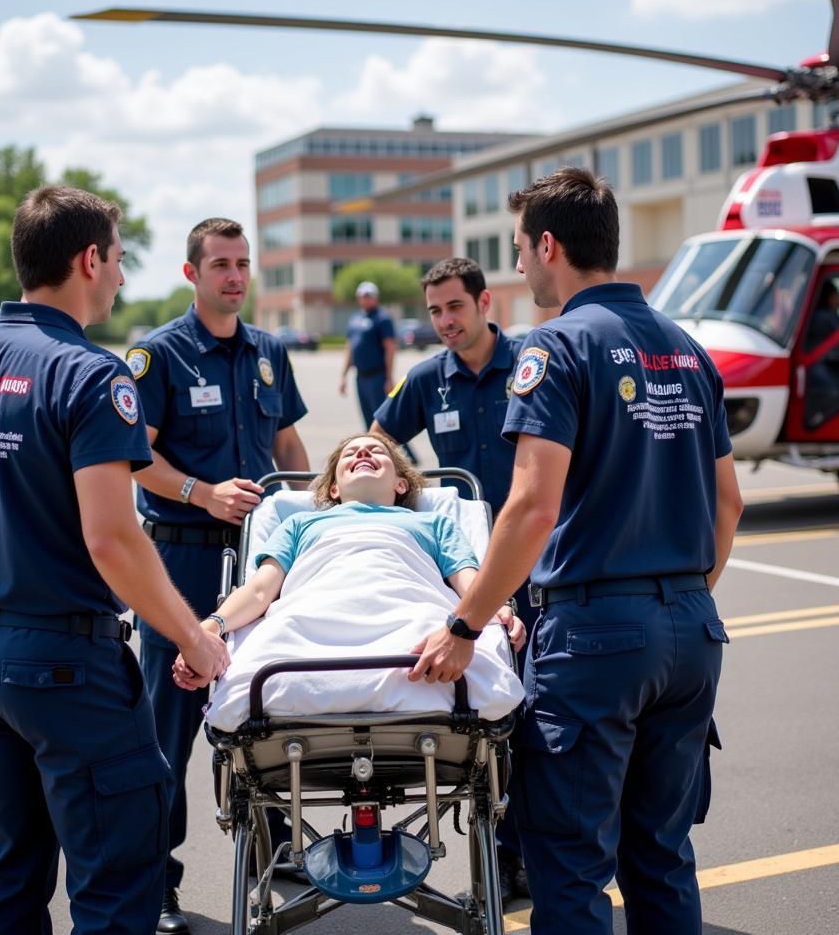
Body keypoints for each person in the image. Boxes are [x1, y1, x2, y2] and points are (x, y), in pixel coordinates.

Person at [410, 167, 744, 935]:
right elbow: (730, 502)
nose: (520, 265)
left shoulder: (555, 348)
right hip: (694, 632)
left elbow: (530, 507)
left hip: (596, 642)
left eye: (521, 248)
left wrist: (465, 626)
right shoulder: (689, 350)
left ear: (549, 246)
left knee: (570, 863)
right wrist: (683, 595)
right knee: (661, 854)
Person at [0, 186, 228, 935]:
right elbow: (112, 539)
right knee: (114, 885)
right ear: (87, 259)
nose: (120, 278)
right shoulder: (91, 374)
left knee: (10, 875)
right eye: (117, 259)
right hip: (66, 663)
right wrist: (196, 637)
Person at [127, 216, 310, 933]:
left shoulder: (269, 351)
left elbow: (289, 443)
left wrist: (316, 508)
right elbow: (136, 457)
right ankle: (156, 885)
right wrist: (202, 493)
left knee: (267, 715)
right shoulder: (159, 356)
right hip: (181, 559)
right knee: (165, 732)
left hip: (258, 568)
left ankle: (279, 850)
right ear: (191, 273)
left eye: (243, 263)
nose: (235, 276)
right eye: (221, 264)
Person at [370, 256, 531, 902]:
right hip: (467, 574)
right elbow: (379, 437)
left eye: (454, 308)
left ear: (484, 302)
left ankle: (524, 854)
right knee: (484, 727)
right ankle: (501, 864)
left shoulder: (529, 365)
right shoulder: (427, 379)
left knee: (533, 722)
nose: (444, 322)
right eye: (434, 311)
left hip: (537, 563)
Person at [174, 433, 525, 724]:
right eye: (350, 454)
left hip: (410, 616)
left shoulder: (435, 524)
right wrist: (212, 627)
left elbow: (470, 584)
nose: (362, 452)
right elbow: (260, 591)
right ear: (334, 491)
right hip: (311, 618)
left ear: (401, 483)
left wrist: (499, 614)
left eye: (377, 451)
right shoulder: (299, 525)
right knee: (268, 639)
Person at [340, 280, 398, 429]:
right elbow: (350, 347)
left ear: (376, 297)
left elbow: (390, 348)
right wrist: (343, 376)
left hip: (377, 377)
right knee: (368, 422)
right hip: (361, 376)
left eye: (369, 296)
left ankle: (404, 453)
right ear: (358, 298)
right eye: (363, 296)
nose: (366, 299)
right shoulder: (355, 319)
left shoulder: (382, 318)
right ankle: (375, 450)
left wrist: (389, 378)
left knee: (384, 421)